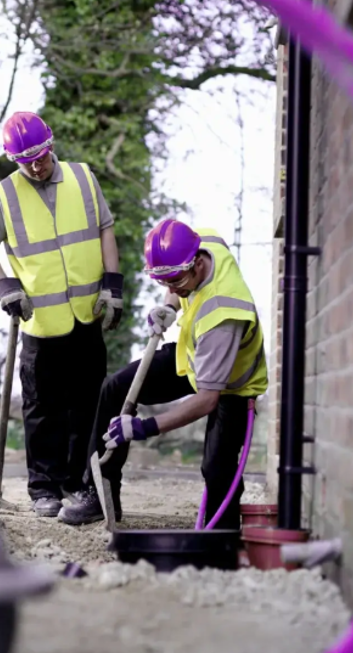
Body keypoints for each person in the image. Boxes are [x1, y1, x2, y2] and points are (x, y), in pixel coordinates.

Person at [58, 219, 268, 529]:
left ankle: (219, 534)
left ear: (197, 264)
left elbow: (207, 399)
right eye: (163, 282)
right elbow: (175, 286)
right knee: (115, 388)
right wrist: (169, 306)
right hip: (194, 359)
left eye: (175, 281)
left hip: (230, 385)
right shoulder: (205, 241)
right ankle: (100, 496)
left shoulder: (224, 313)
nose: (170, 289)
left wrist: (143, 428)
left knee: (217, 469)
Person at [0, 111, 124, 517]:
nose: (36, 166)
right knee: (42, 409)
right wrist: (5, 287)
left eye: (40, 157)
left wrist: (113, 284)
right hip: (39, 321)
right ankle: (43, 489)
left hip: (86, 314)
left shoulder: (83, 178)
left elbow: (104, 229)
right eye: (27, 162)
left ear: (51, 145)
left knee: (88, 405)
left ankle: (77, 485)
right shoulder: (4, 195)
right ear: (15, 160)